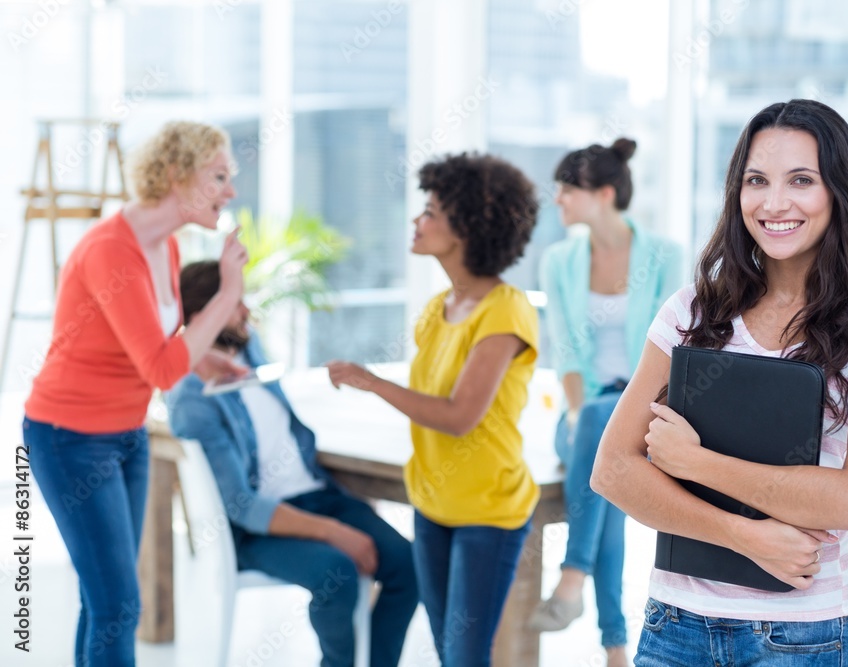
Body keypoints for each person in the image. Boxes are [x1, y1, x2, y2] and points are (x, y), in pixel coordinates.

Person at [591, 99, 848, 666]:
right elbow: (613, 470)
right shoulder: (692, 311)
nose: (774, 203)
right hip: (675, 625)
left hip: (803, 635)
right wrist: (741, 534)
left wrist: (696, 464)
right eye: (756, 181)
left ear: (839, 194)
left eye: (801, 180)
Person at [22, 121, 250, 667]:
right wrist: (228, 292)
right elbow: (162, 368)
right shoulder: (111, 251)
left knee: (102, 599)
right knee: (119, 605)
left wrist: (206, 355)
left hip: (126, 434)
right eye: (218, 176)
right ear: (175, 175)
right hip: (70, 439)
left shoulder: (164, 248)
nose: (230, 191)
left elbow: (156, 342)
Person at [325, 153, 539, 666]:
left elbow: (459, 414)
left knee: (465, 657)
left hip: (488, 511)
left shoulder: (505, 310)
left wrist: (372, 383)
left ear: (466, 227)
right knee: (449, 653)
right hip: (431, 502)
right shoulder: (436, 310)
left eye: (431, 211)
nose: (418, 221)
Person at [165, 260, 418, 667]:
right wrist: (336, 532)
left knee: (408, 564)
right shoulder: (191, 398)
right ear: (201, 316)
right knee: (337, 575)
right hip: (258, 530)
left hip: (316, 494)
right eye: (235, 303)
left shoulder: (248, 346)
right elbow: (242, 506)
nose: (247, 312)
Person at [528, 138, 683, 666]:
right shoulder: (559, 261)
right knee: (600, 446)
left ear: (605, 194)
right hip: (582, 408)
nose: (559, 200)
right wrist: (576, 415)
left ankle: (575, 584)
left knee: (606, 436)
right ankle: (616, 646)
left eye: (568, 189)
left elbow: (675, 352)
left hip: (646, 411)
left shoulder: (665, 256)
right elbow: (566, 353)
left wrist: (607, 418)